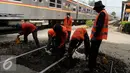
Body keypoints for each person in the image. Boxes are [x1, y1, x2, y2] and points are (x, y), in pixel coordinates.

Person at [88, 1, 109, 72]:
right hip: (99, 37)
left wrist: (94, 36)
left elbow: (99, 26)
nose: (96, 10)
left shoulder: (102, 14)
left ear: (99, 8)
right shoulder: (104, 13)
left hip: (97, 37)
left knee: (92, 52)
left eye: (96, 9)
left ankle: (90, 67)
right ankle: (93, 65)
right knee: (95, 52)